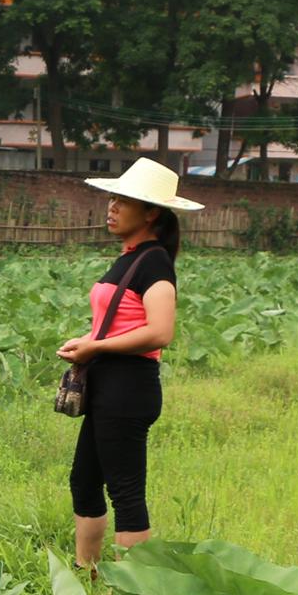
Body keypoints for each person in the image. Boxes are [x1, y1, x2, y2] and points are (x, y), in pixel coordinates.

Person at [58, 156, 199, 571]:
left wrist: (96, 348)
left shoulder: (154, 262)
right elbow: (119, 321)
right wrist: (88, 341)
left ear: (151, 212)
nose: (112, 207)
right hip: (108, 381)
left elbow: (160, 332)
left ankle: (136, 592)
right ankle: (89, 575)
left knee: (125, 491)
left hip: (128, 387)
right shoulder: (130, 258)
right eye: (113, 198)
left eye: (124, 201)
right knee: (84, 482)